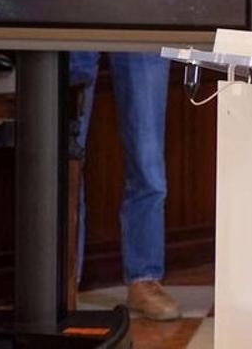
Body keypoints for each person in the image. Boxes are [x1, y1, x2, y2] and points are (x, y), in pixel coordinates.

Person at [69, 50, 179, 321]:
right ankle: (64, 282)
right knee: (65, 158)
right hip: (72, 13)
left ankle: (144, 280)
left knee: (147, 161)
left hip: (141, 17)